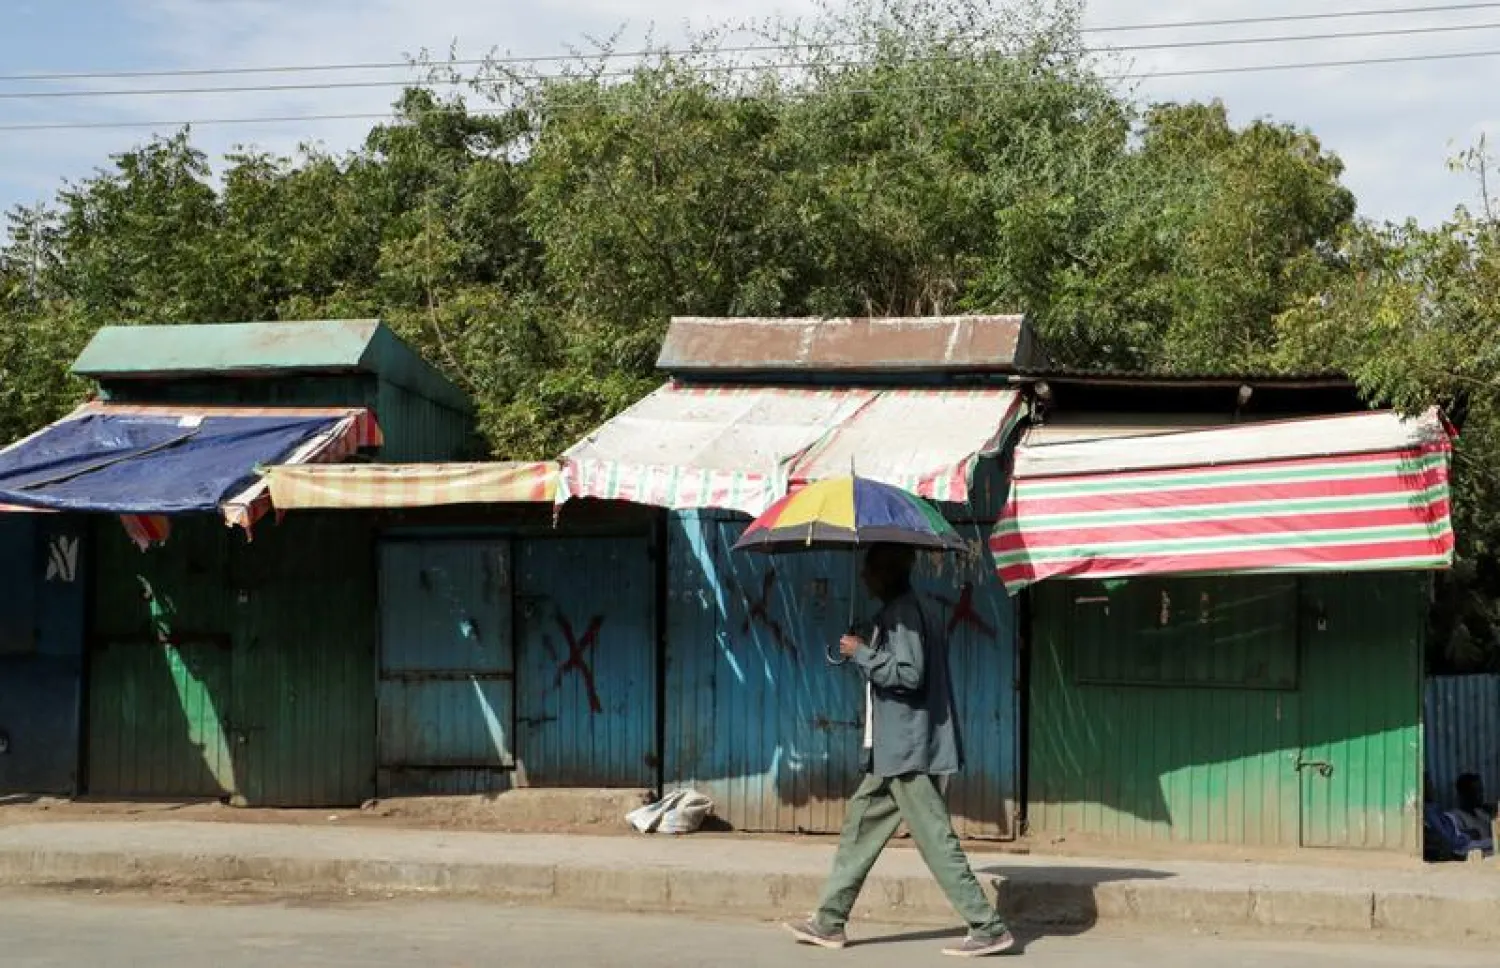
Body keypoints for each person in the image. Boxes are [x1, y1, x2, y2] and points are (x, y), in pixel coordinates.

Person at [783, 544, 1015, 958]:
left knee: (935, 839)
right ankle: (829, 921)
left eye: (869, 571)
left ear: (886, 573)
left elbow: (909, 674)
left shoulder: (905, 613)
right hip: (892, 750)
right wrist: (867, 639)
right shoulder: (904, 611)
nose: (863, 579)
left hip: (907, 749)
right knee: (859, 827)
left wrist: (862, 654)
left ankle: (987, 926)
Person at [1452, 774, 1496, 849]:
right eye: (1476, 791)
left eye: (1481, 791)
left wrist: (1494, 816)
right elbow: (1462, 845)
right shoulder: (1455, 817)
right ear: (1464, 795)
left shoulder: (1481, 813)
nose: (1482, 795)